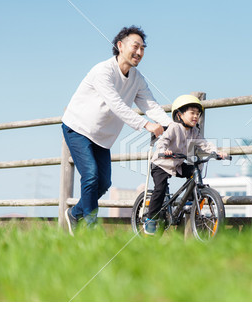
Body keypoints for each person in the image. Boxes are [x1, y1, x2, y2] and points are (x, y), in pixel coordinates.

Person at [62, 26, 171, 235]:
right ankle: (91, 229)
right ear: (120, 46)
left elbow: (151, 105)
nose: (139, 52)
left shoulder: (137, 79)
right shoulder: (102, 71)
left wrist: (171, 127)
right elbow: (117, 104)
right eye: (135, 46)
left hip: (102, 138)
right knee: (91, 176)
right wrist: (145, 124)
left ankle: (75, 214)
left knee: (103, 183)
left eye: (143, 48)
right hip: (78, 128)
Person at [144, 94, 227, 235]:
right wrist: (164, 150)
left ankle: (189, 203)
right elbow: (163, 141)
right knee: (160, 188)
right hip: (161, 164)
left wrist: (216, 152)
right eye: (192, 113)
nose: (196, 116)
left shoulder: (195, 131)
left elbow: (204, 144)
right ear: (180, 115)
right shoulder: (174, 128)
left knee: (194, 172)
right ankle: (150, 219)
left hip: (176, 164)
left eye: (198, 114)